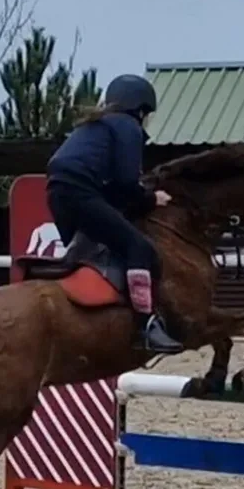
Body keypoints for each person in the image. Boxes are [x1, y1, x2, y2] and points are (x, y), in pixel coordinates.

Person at [45, 73, 182, 354]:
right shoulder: (127, 127)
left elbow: (111, 190)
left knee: (90, 253)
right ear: (140, 109)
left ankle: (93, 317)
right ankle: (146, 326)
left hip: (57, 194)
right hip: (81, 193)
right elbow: (125, 183)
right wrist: (151, 199)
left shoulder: (94, 127)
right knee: (140, 249)